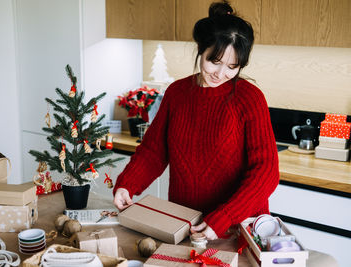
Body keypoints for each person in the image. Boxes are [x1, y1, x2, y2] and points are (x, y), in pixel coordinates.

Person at [113, 0, 280, 240]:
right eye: (215, 61)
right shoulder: (177, 93)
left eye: (233, 67)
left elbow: (266, 172)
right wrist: (128, 183)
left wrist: (222, 218)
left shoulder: (250, 98)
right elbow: (154, 151)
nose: (221, 74)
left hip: (237, 226)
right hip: (184, 224)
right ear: (201, 49)